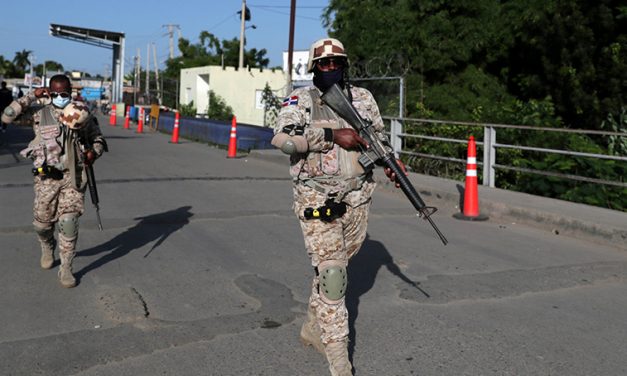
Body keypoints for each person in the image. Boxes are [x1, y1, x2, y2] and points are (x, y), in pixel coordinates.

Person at [272, 38, 405, 376]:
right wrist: (332, 138)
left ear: (345, 65)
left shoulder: (363, 99)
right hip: (317, 197)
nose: (330, 68)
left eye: (336, 63)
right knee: (333, 275)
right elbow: (282, 140)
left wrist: (390, 161)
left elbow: (378, 137)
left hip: (358, 197)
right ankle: (339, 363)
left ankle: (313, 328)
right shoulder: (300, 100)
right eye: (324, 64)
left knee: (336, 267)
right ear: (314, 68)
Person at [1, 74, 107, 288]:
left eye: (64, 93)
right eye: (55, 93)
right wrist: (31, 95)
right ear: (49, 92)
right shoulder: (39, 113)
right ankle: (47, 245)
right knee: (41, 223)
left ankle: (66, 268)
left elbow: (98, 139)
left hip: (73, 177)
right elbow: (6, 116)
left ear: (71, 92)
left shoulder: (81, 114)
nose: (60, 97)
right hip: (46, 178)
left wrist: (93, 153)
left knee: (68, 222)